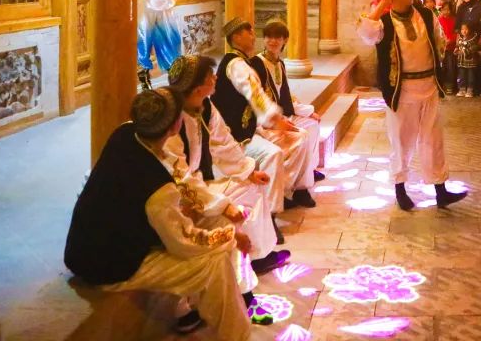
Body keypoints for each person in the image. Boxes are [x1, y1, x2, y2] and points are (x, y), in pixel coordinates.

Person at [65, 88, 268, 339]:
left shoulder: (127, 133)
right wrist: (231, 237)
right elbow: (184, 243)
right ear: (175, 126)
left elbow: (179, 177)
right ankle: (236, 335)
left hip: (90, 245)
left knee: (216, 218)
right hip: (108, 264)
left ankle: (210, 307)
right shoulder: (158, 190)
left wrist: (223, 216)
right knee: (214, 263)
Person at [166, 55, 288, 274]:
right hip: (177, 195)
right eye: (210, 76)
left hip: (198, 184)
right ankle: (243, 268)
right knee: (230, 210)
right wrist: (222, 206)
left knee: (254, 186)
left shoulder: (205, 106)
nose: (216, 78)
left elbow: (223, 142)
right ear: (197, 88)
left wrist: (247, 171)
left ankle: (259, 255)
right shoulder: (171, 120)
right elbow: (179, 178)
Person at [357, 0, 468, 211]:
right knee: (401, 140)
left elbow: (439, 40)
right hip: (401, 90)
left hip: (428, 86)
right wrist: (383, 3)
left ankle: (440, 190)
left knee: (433, 139)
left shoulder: (426, 15)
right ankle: (400, 189)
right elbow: (365, 33)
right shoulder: (384, 23)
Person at [213, 18, 314, 213]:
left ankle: (291, 190)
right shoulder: (236, 64)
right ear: (236, 37)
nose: (254, 36)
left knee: (300, 137)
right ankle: (270, 212)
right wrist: (275, 119)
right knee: (272, 153)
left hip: (252, 128)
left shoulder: (245, 62)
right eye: (249, 32)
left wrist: (277, 121)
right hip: (236, 136)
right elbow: (255, 94)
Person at [249, 20, 323, 189]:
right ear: (263, 39)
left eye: (277, 38)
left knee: (313, 124)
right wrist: (276, 120)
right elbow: (257, 98)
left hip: (283, 115)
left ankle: (309, 170)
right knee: (302, 134)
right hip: (266, 121)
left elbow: (285, 95)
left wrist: (307, 111)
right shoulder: (257, 63)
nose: (272, 41)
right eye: (269, 37)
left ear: (285, 40)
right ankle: (295, 186)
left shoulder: (280, 63)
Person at [455, 22, 481, 98]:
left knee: (470, 76)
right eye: (462, 29)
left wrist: (465, 51)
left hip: (470, 61)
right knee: (461, 76)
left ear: (470, 29)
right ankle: (461, 89)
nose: (464, 31)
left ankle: (470, 90)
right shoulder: (460, 38)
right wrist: (456, 50)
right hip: (461, 61)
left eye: (466, 29)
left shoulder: (473, 38)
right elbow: (458, 46)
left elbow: (475, 47)